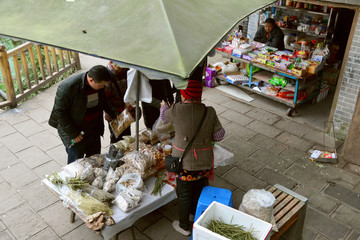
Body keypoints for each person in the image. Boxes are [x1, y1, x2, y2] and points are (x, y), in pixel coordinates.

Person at [159, 64, 226, 236]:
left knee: (184, 193)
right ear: (199, 94)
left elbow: (163, 120)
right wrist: (206, 136)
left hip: (183, 162)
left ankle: (184, 226)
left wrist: (163, 107)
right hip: (204, 162)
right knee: (199, 188)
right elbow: (219, 136)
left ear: (184, 93)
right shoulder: (209, 111)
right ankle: (195, 215)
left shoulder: (176, 110)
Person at [49, 65, 120, 164]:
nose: (103, 87)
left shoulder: (98, 85)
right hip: (76, 131)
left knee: (95, 161)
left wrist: (117, 115)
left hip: (93, 129)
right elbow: (59, 112)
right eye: (102, 85)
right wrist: (73, 133)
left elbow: (104, 102)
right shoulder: (68, 87)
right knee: (76, 164)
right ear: (91, 80)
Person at [105, 61, 137, 143]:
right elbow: (106, 100)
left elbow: (130, 86)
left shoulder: (125, 70)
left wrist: (132, 101)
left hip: (126, 112)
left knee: (126, 137)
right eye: (119, 67)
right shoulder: (106, 76)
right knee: (117, 140)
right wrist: (123, 104)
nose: (121, 69)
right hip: (115, 114)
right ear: (112, 63)